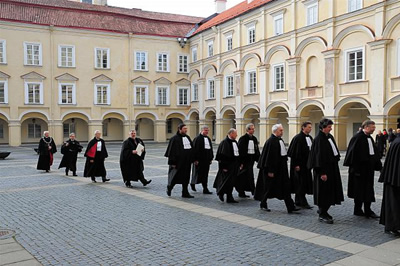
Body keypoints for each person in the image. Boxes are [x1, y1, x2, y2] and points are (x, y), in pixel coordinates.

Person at [254, 124, 300, 213]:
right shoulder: (271, 141)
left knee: (286, 187)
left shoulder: (280, 140)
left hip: (281, 168)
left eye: (282, 130)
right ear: (275, 131)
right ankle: (263, 204)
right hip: (272, 170)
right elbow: (269, 158)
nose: (282, 132)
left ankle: (290, 206)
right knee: (268, 187)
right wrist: (270, 170)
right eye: (280, 130)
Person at [307, 118, 344, 224]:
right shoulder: (319, 139)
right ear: (323, 128)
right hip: (323, 170)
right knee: (323, 192)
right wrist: (322, 172)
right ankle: (322, 213)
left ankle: (324, 210)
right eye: (329, 127)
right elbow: (318, 157)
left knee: (330, 191)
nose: (331, 129)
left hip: (331, 168)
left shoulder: (329, 137)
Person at [344, 120, 382, 218]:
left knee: (368, 190)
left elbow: (374, 154)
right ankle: (358, 209)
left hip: (368, 170)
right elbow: (352, 155)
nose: (374, 129)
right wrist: (355, 170)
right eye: (372, 127)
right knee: (358, 190)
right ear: (366, 127)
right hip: (359, 170)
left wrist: (379, 166)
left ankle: (368, 210)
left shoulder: (369, 138)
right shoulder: (357, 138)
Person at [287, 121, 314, 209]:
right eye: (309, 127)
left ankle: (298, 200)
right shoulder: (298, 138)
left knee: (304, 183)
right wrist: (296, 165)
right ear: (303, 127)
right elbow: (294, 153)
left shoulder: (310, 138)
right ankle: (302, 201)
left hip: (307, 165)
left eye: (311, 127)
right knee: (300, 183)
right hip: (299, 165)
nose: (310, 129)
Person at [164, 123, 194, 198]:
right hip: (178, 162)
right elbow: (171, 152)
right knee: (175, 176)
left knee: (186, 177)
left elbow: (192, 149)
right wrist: (172, 162)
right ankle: (170, 187)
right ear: (179, 129)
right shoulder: (174, 139)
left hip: (187, 162)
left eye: (186, 129)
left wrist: (193, 159)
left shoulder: (187, 137)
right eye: (184, 129)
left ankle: (185, 192)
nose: (186, 130)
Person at [379, 132, 400, 236]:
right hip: (395, 179)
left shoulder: (396, 141)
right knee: (393, 203)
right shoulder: (398, 143)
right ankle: (392, 227)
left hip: (394, 178)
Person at [214, 128, 241, 203]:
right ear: (231, 134)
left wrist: (239, 164)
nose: (236, 135)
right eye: (235, 134)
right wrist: (224, 167)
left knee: (232, 182)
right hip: (227, 166)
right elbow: (221, 156)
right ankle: (221, 192)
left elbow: (237, 154)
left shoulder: (235, 142)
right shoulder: (224, 142)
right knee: (225, 181)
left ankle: (229, 197)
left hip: (234, 166)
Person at [236, 123, 260, 198]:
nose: (253, 130)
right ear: (248, 130)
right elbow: (240, 151)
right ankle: (241, 191)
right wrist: (241, 162)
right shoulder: (243, 139)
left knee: (250, 176)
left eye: (253, 129)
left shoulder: (254, 139)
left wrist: (259, 159)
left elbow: (256, 150)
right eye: (252, 129)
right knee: (243, 177)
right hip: (244, 161)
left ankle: (253, 191)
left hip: (251, 160)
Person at [190, 125, 214, 194]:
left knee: (205, 174)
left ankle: (205, 188)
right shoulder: (197, 138)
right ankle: (193, 183)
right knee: (197, 173)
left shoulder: (208, 138)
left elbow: (210, 149)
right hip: (199, 160)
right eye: (205, 130)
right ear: (202, 130)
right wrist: (195, 159)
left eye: (207, 130)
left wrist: (211, 158)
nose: (207, 132)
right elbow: (194, 150)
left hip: (206, 160)